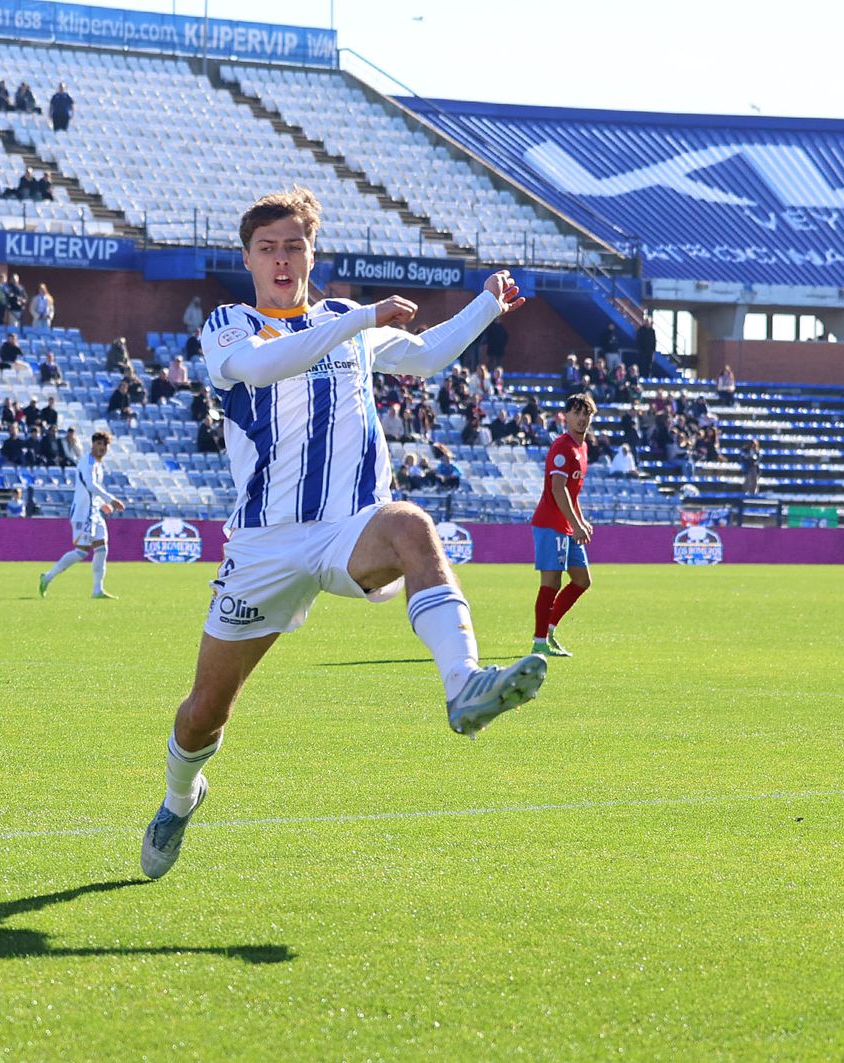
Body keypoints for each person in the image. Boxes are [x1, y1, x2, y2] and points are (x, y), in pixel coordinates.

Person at [138, 187, 545, 881]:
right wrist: (360, 318)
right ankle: (180, 798)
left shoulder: (344, 323)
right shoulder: (230, 325)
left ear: (312, 254)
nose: (281, 259)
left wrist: (485, 305)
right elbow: (264, 366)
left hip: (348, 528)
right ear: (247, 259)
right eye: (267, 248)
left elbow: (424, 354)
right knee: (205, 713)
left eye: (294, 246)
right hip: (264, 545)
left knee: (411, 525)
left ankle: (464, 685)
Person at [529, 392, 596, 660]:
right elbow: (558, 490)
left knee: (582, 580)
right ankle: (539, 642)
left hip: (567, 525)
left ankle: (548, 630)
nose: (581, 418)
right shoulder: (562, 448)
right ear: (565, 416)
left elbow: (572, 492)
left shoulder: (582, 448)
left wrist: (580, 520)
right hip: (550, 524)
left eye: (586, 413)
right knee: (551, 582)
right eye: (576, 413)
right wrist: (576, 524)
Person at [38, 429, 123, 599]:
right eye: (99, 444)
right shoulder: (87, 463)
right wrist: (111, 499)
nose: (102, 447)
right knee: (81, 552)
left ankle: (97, 590)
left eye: (104, 445)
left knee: (102, 549)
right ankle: (47, 577)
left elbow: (90, 491)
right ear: (93, 445)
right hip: (83, 513)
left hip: (94, 513)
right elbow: (90, 485)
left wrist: (102, 504)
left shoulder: (98, 465)